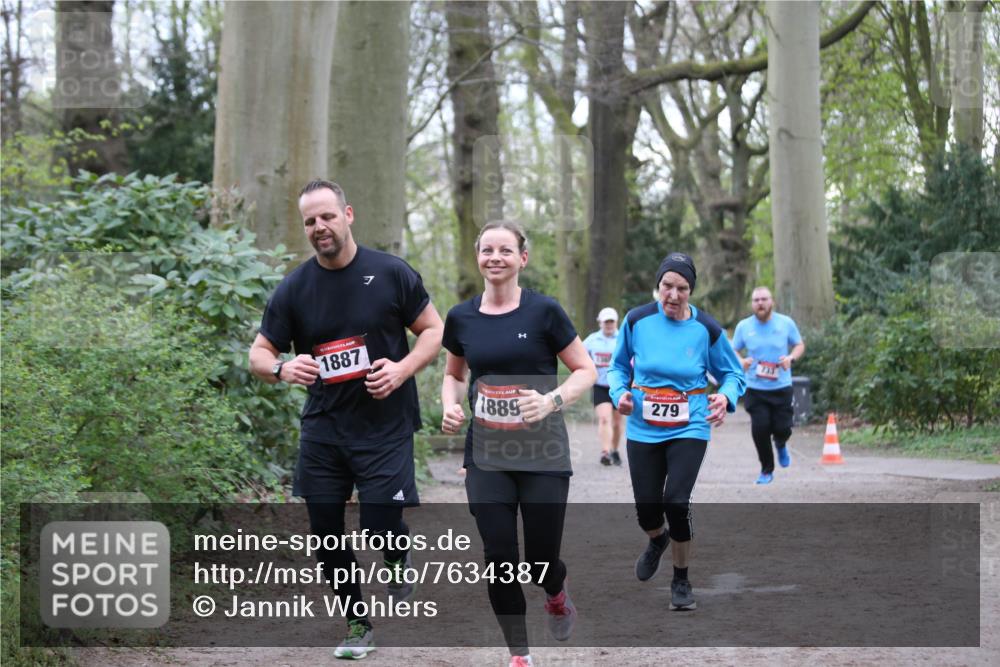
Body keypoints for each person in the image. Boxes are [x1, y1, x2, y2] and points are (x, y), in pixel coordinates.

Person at [248, 180, 443, 659]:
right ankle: (359, 625)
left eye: (327, 217)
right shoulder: (294, 288)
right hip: (324, 428)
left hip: (385, 424)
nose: (320, 227)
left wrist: (402, 369)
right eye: (310, 221)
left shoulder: (391, 272)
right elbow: (258, 353)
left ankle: (397, 560)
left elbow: (434, 330)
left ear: (348, 214)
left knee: (380, 524)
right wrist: (281, 367)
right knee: (326, 533)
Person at [440, 221, 596, 667]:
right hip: (487, 455)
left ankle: (555, 592)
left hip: (543, 453)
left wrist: (551, 400)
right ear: (478, 257)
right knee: (499, 556)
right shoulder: (461, 317)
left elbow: (586, 370)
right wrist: (451, 405)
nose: (495, 257)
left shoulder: (544, 312)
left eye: (505, 250)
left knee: (540, 561)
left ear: (522, 259)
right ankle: (519, 654)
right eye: (487, 249)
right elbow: (454, 375)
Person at [608, 252, 745, 611]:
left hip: (690, 425)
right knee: (647, 510)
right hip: (642, 426)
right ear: (658, 286)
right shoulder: (637, 320)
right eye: (667, 285)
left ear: (690, 291)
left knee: (677, 502)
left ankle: (681, 580)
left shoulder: (707, 329)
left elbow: (733, 373)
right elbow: (618, 367)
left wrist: (725, 397)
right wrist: (619, 392)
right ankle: (657, 539)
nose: (673, 294)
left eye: (681, 288)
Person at [732, 286, 805, 485]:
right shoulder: (744, 326)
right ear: (752, 304)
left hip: (781, 386)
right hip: (755, 389)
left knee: (784, 428)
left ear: (771, 301)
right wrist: (741, 362)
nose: (760, 303)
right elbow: (733, 350)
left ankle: (781, 443)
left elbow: (799, 345)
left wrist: (790, 358)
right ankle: (766, 470)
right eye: (756, 300)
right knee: (760, 429)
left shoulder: (785, 323)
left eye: (764, 299)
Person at [583, 307, 624, 466]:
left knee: (617, 422)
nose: (609, 325)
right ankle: (605, 452)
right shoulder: (591, 340)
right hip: (600, 386)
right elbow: (580, 358)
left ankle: (614, 450)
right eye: (606, 322)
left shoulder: (622, 338)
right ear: (600, 322)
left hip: (619, 386)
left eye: (611, 321)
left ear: (616, 322)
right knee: (604, 418)